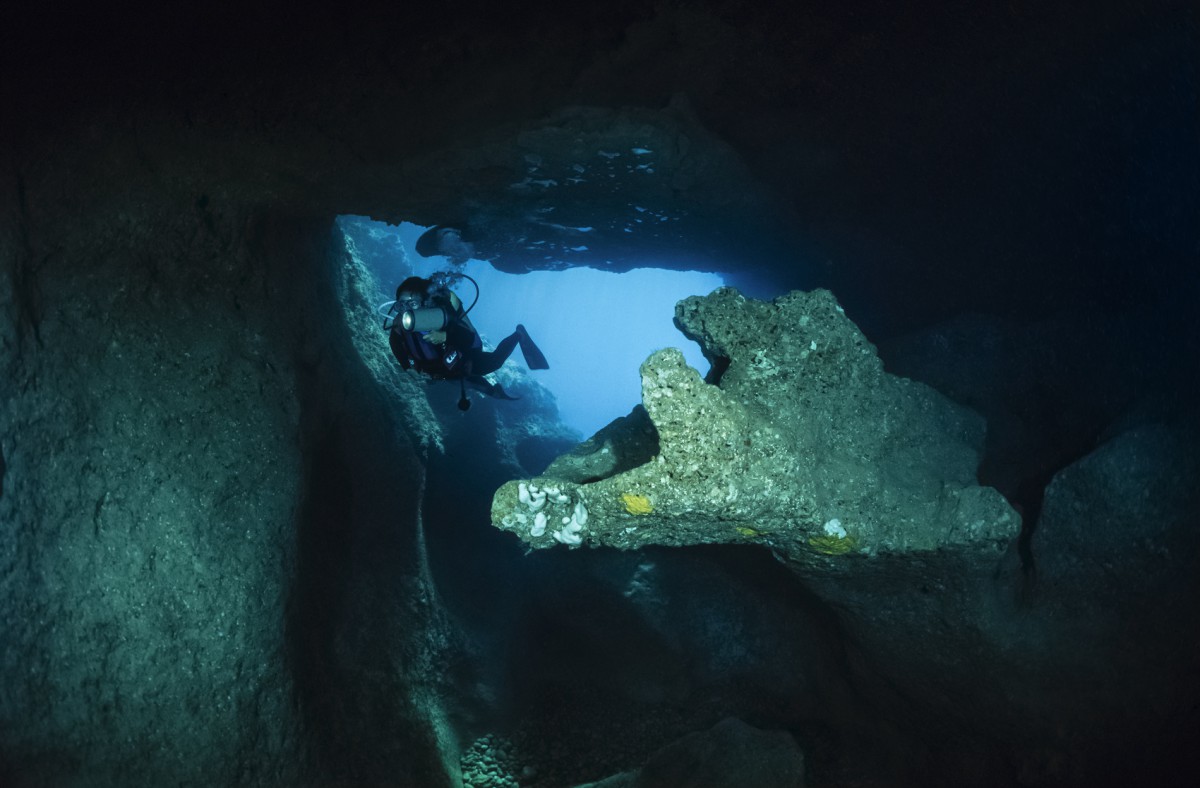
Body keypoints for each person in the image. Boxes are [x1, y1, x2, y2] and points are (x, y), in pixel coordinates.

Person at [386, 274, 549, 410]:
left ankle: (518, 335)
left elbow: (468, 337)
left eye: (412, 303)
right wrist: (408, 368)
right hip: (440, 368)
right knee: (460, 380)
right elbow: (395, 343)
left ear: (425, 301)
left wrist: (445, 336)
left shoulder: (441, 314)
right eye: (402, 305)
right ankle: (492, 391)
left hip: (465, 357)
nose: (407, 309)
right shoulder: (401, 323)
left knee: (494, 363)